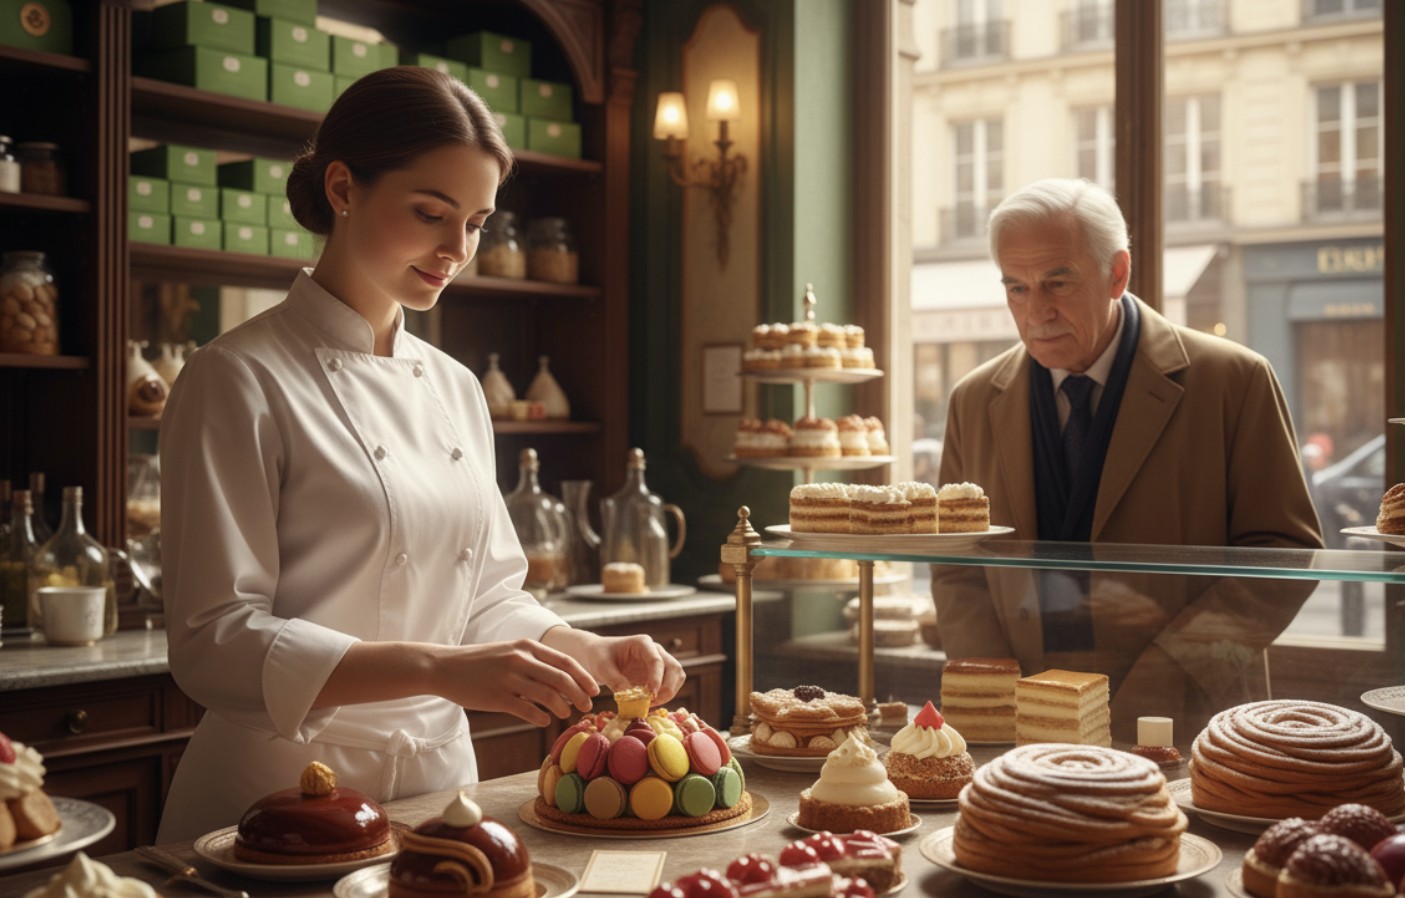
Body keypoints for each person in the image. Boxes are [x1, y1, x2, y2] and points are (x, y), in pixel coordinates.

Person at [156, 68, 685, 842]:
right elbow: (214, 640)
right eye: (431, 213)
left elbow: (483, 600)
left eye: (475, 222)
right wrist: (438, 670)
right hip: (276, 801)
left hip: (441, 791)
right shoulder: (236, 376)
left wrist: (588, 651)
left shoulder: (456, 387)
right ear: (343, 186)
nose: (457, 249)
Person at [933, 177, 1322, 741]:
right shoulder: (973, 398)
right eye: (1016, 288)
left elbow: (1285, 554)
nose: (1035, 311)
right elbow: (956, 565)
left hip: (1188, 714)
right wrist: (996, 687)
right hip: (1023, 720)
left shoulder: (1235, 380)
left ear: (1118, 273)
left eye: (1057, 282)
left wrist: (1175, 667)